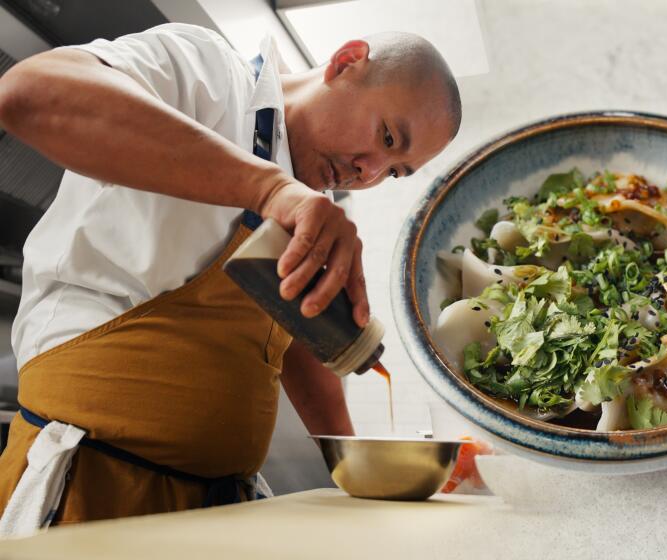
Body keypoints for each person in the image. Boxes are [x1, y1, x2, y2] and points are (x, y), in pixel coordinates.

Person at [0, 22, 460, 529]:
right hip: (90, 482)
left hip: (219, 507)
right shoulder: (210, 75)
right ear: (347, 61)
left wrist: (358, 473)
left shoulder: (312, 201)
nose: (368, 173)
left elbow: (293, 341)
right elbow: (30, 93)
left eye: (394, 171)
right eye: (387, 137)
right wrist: (269, 190)